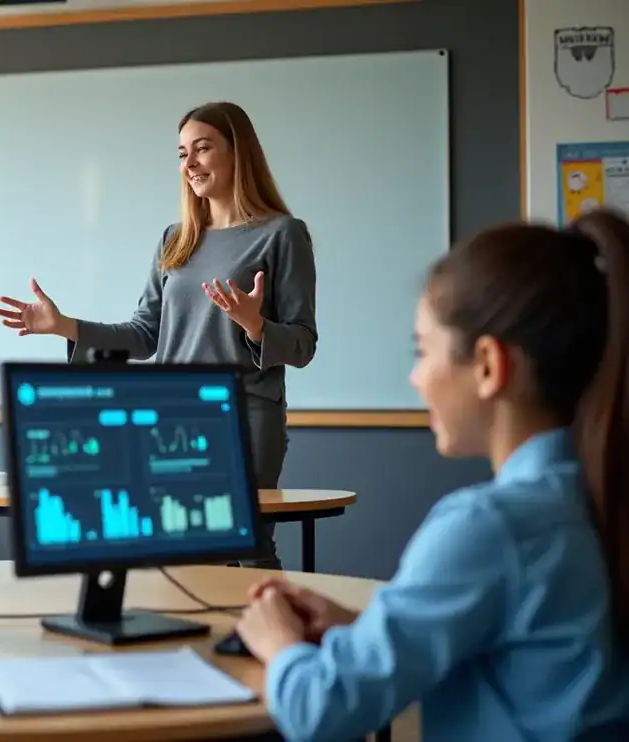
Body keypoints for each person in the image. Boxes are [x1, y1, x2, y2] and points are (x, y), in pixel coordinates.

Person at [235, 209, 629, 740]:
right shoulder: (591, 492)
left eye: (421, 351)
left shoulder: (488, 526)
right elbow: (508, 643)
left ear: (489, 366)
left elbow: (321, 712)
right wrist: (363, 628)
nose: (415, 378)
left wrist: (277, 641)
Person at [0, 101, 318, 569]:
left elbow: (303, 344)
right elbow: (145, 334)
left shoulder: (282, 234)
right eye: (182, 153)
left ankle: (267, 640)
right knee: (179, 550)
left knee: (245, 544)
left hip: (245, 416)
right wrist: (64, 326)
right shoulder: (175, 239)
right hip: (170, 418)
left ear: (238, 153)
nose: (190, 164)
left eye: (202, 149)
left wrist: (255, 324)